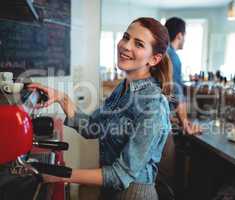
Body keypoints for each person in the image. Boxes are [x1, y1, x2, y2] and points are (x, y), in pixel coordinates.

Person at [28, 17, 173, 200]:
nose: (126, 46)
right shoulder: (123, 88)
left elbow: (120, 175)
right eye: (126, 37)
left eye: (138, 44)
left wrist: (60, 174)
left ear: (154, 59)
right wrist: (61, 98)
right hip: (109, 192)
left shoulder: (153, 104)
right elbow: (92, 127)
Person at [164, 17, 201, 135]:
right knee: (169, 153)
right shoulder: (173, 57)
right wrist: (185, 123)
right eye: (185, 35)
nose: (185, 39)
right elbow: (177, 93)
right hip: (159, 120)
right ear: (180, 35)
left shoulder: (161, 53)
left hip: (155, 114)